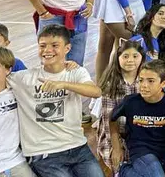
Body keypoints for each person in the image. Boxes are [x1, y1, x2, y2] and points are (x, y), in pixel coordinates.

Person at [8, 25, 104, 177]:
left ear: (67, 48)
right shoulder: (24, 78)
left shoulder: (76, 72)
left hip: (78, 147)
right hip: (44, 153)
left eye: (54, 46)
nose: (47, 50)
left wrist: (63, 84)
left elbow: (96, 92)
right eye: (42, 46)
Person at [109, 60, 165, 177]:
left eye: (151, 81)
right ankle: (125, 170)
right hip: (142, 152)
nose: (144, 85)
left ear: (164, 83)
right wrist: (116, 146)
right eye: (141, 80)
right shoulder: (130, 101)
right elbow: (112, 118)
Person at [0, 47, 36, 177]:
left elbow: (44, 76)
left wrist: (67, 65)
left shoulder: (18, 92)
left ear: (8, 70)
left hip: (16, 162)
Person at [97, 40, 145, 173]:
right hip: (115, 132)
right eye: (125, 56)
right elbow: (109, 118)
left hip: (139, 130)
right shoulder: (110, 82)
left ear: (142, 58)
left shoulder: (145, 81)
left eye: (135, 56)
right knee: (117, 160)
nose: (130, 60)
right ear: (117, 58)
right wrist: (116, 147)